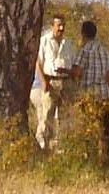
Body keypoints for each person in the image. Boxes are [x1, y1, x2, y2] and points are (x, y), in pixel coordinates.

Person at [74, 18, 109, 160]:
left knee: (90, 127)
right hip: (103, 94)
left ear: (83, 34)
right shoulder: (104, 50)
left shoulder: (84, 50)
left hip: (89, 95)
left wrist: (67, 72)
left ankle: (91, 156)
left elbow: (78, 72)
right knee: (105, 127)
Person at [34, 14, 76, 151]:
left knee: (66, 116)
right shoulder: (44, 41)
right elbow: (38, 63)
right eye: (59, 25)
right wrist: (43, 82)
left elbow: (74, 64)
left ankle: (64, 147)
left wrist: (70, 73)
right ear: (52, 26)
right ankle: (44, 147)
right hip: (51, 81)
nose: (61, 28)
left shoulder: (68, 43)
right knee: (47, 116)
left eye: (63, 25)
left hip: (66, 81)